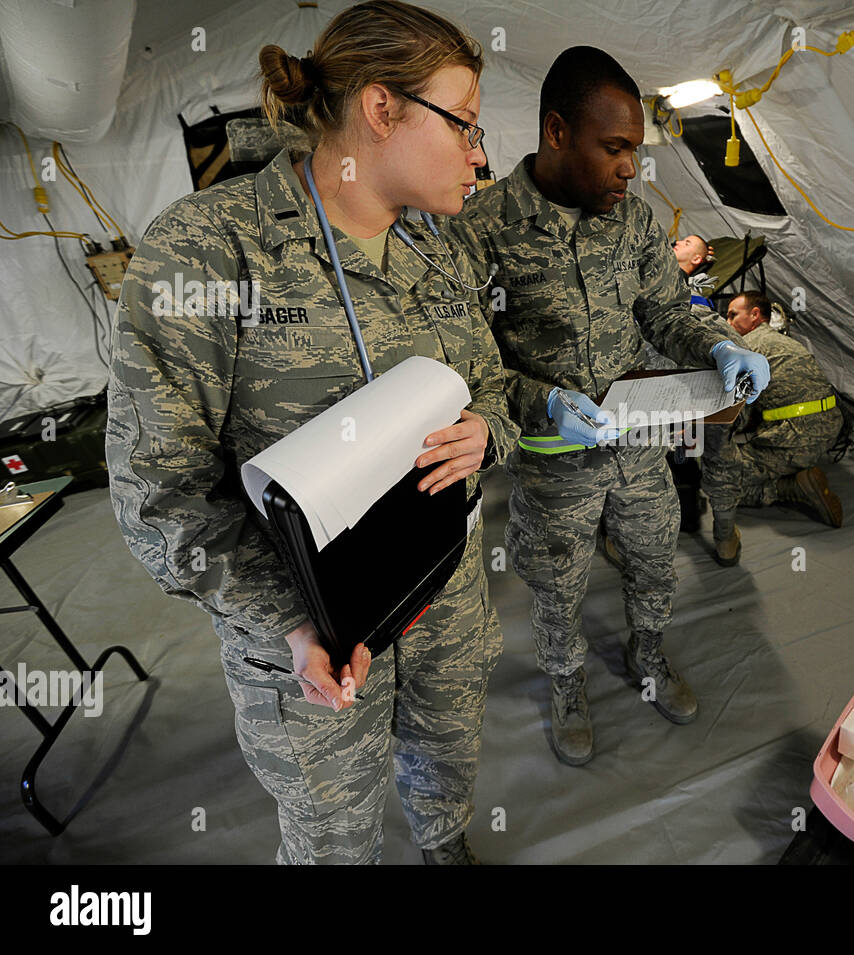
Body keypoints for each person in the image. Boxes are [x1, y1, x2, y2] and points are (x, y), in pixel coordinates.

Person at [105, 1, 517, 864]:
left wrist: (487, 430)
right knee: (335, 837)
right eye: (466, 124)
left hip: (445, 597)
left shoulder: (440, 245)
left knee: (447, 764)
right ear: (380, 109)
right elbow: (160, 491)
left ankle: (444, 842)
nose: (480, 155)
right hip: (316, 643)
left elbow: (491, 385)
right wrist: (287, 623)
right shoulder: (210, 252)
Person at [458, 46, 770, 766]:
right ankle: (566, 682)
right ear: (558, 132)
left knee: (657, 554)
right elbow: (469, 368)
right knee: (556, 580)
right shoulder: (483, 231)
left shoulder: (630, 220)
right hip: (552, 461)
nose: (632, 167)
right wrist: (543, 404)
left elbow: (667, 310)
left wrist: (720, 342)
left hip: (637, 440)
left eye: (635, 148)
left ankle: (650, 655)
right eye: (615, 147)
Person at [703, 291, 844, 566]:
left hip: (796, 436)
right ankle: (796, 471)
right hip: (830, 427)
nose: (727, 321)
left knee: (722, 483)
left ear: (755, 315)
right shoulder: (782, 341)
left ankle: (790, 488)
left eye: (733, 315)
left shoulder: (745, 348)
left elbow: (734, 415)